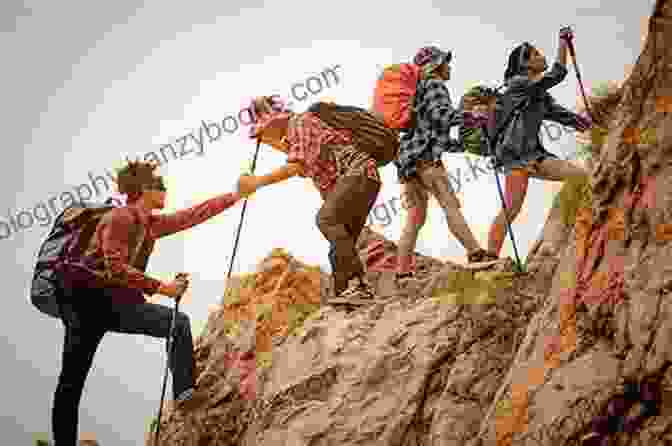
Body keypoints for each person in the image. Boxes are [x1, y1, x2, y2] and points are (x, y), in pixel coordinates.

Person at [52, 160, 241, 446]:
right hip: (86, 303)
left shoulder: (150, 224)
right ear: (144, 189)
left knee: (177, 323)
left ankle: (184, 393)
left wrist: (236, 195)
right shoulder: (119, 217)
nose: (165, 189)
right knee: (72, 381)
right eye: (160, 185)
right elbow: (113, 265)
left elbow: (193, 215)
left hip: (116, 303)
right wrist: (163, 288)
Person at [237, 96, 380, 301]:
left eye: (263, 129)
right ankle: (345, 295)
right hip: (366, 178)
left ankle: (358, 283)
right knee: (338, 247)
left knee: (326, 219)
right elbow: (294, 153)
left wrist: (257, 182)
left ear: (273, 121)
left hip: (358, 174)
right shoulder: (297, 136)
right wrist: (266, 140)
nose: (264, 135)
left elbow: (297, 166)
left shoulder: (301, 123)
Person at [483, 28, 593, 257]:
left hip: (535, 155)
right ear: (525, 63)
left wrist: (587, 124)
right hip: (514, 156)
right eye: (536, 55)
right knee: (512, 208)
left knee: (579, 176)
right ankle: (489, 256)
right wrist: (563, 42)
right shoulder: (518, 84)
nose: (541, 57)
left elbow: (559, 114)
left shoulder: (538, 92)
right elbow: (557, 74)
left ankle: (553, 236)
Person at [394, 46, 494, 283]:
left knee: (415, 219)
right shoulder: (434, 84)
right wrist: (472, 115)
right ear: (436, 65)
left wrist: (461, 145)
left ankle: (402, 273)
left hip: (407, 161)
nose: (449, 67)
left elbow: (435, 133)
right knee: (450, 205)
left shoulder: (416, 91)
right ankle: (475, 253)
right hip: (427, 160)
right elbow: (442, 116)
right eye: (445, 62)